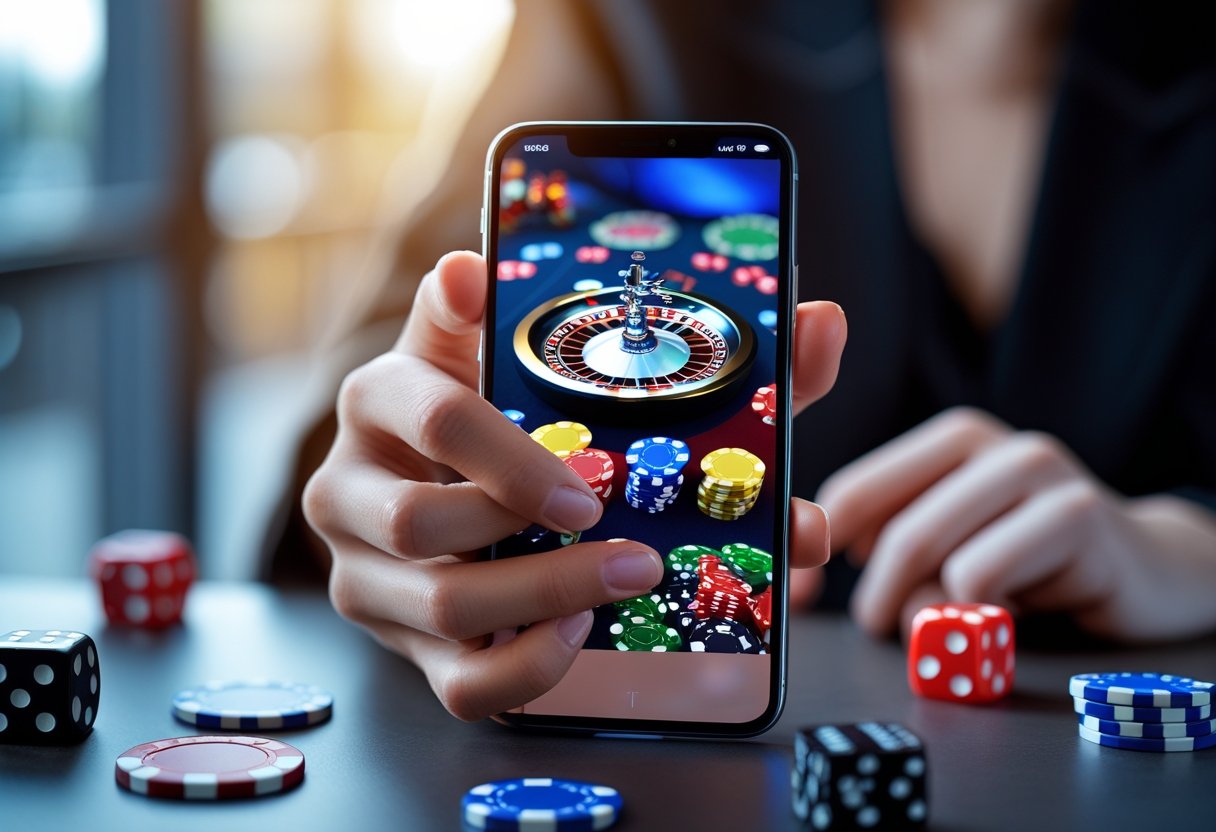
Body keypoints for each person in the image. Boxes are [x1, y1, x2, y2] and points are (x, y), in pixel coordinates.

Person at [277, 0, 1216, 721]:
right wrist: (398, 490)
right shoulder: (628, 18)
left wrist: (1199, 551)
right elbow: (380, 393)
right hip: (663, 717)